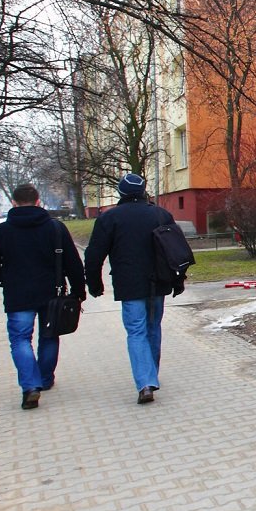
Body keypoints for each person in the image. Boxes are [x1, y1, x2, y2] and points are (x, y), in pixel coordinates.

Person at [0, 184, 85, 410]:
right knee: (49, 336)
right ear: (38, 202)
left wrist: (0, 277)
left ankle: (30, 386)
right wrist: (78, 292)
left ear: (14, 203)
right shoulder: (55, 229)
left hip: (17, 294)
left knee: (20, 339)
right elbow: (73, 264)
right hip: (51, 293)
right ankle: (45, 379)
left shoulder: (2, 231)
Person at [85, 173, 177, 405]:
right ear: (144, 191)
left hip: (130, 285)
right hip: (159, 282)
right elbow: (175, 249)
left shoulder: (110, 218)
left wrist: (94, 284)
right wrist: (178, 280)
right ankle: (150, 374)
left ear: (121, 193)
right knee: (153, 327)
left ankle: (145, 382)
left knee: (136, 331)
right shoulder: (160, 214)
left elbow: (94, 255)